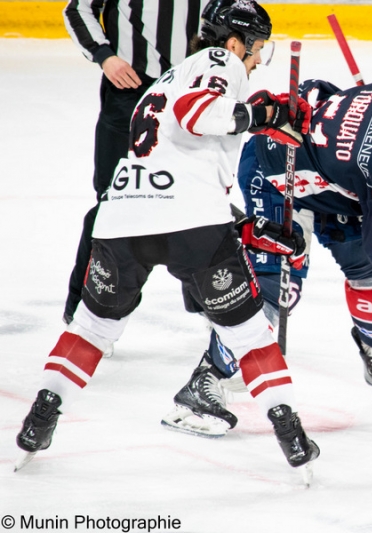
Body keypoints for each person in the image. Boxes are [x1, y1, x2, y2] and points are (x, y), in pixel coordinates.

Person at [16, 0, 319, 472]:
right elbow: (199, 114)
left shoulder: (165, 79)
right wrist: (264, 119)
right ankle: (289, 429)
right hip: (190, 226)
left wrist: (245, 227)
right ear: (236, 42)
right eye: (258, 48)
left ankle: (44, 410)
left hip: (122, 218)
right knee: (248, 333)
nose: (259, 59)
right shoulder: (221, 62)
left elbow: (175, 172)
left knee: (93, 329)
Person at [160, 54, 372, 437]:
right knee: (275, 291)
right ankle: (205, 382)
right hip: (276, 175)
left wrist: (371, 114)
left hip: (341, 185)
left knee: (368, 269)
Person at [62, 0, 220, 328]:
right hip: (128, 93)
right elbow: (77, 9)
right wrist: (105, 56)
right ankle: (84, 311)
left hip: (188, 99)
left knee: (198, 200)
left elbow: (229, 19)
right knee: (111, 204)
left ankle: (212, 305)